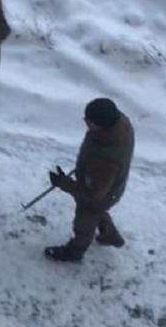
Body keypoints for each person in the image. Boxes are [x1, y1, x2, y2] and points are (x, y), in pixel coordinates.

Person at [44, 97, 135, 262]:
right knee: (97, 211)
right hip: (108, 186)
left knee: (85, 218)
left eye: (89, 121)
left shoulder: (106, 160)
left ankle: (74, 252)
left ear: (99, 124)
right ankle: (110, 235)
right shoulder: (120, 123)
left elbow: (93, 196)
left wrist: (64, 183)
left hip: (101, 192)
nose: (86, 123)